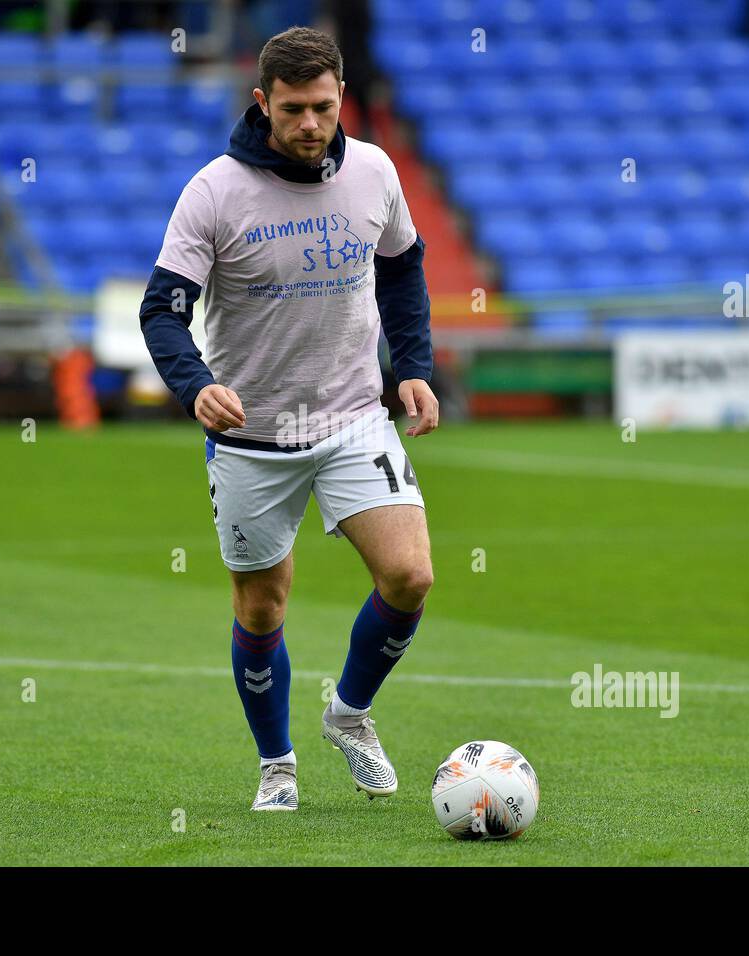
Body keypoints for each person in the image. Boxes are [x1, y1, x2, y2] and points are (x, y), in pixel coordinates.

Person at [139, 27, 439, 811]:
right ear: (262, 102)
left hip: (350, 420)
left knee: (410, 576)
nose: (312, 125)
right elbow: (163, 312)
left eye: (326, 107)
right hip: (251, 438)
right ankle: (277, 762)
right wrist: (193, 384)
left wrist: (412, 368)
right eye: (295, 109)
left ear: (343, 97)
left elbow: (404, 266)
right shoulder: (215, 191)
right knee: (262, 605)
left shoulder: (374, 169)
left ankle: (349, 712)